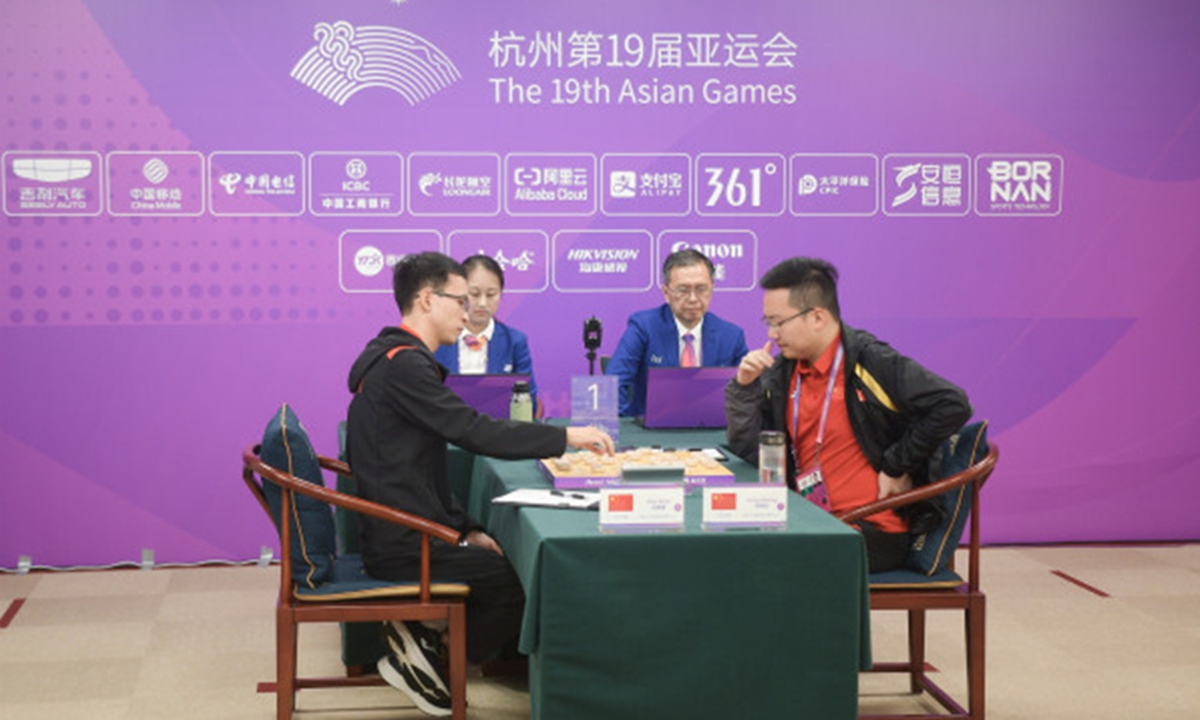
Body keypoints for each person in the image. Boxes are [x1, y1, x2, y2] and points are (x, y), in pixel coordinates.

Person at [346, 252, 614, 717]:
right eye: (460, 300)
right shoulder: (405, 366)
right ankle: (433, 657)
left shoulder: (394, 359)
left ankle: (426, 643)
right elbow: (475, 431)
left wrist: (467, 528)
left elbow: (422, 473)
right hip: (401, 542)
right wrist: (565, 437)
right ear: (427, 299)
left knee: (493, 557)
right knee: (511, 584)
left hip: (400, 526)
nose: (469, 312)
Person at [725, 257, 971, 573]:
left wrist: (897, 464)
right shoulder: (784, 372)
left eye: (778, 322)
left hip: (869, 528)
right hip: (806, 517)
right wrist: (744, 389)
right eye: (767, 322)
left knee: (763, 565)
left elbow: (953, 403)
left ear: (817, 317)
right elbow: (749, 451)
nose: (772, 334)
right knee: (724, 547)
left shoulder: (871, 362)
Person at [605, 248, 749, 417]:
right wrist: (629, 429)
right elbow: (612, 384)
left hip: (710, 431)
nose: (693, 298)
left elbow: (745, 394)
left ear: (712, 289)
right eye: (683, 290)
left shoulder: (731, 336)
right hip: (651, 434)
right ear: (666, 293)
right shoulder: (644, 327)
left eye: (701, 289)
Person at [434, 254, 540, 409]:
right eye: (474, 294)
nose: (483, 303)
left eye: (491, 294)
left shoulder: (515, 342)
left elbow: (529, 402)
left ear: (501, 294)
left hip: (499, 430)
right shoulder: (439, 339)